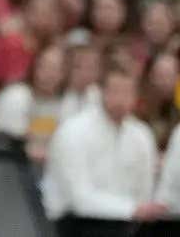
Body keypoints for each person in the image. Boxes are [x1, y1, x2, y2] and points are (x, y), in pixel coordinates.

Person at [47, 59, 165, 228]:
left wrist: (137, 211)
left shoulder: (142, 135)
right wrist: (132, 209)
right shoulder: (73, 131)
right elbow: (79, 199)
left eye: (127, 91)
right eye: (115, 91)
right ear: (100, 91)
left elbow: (144, 192)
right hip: (72, 223)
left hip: (126, 224)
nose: (121, 99)